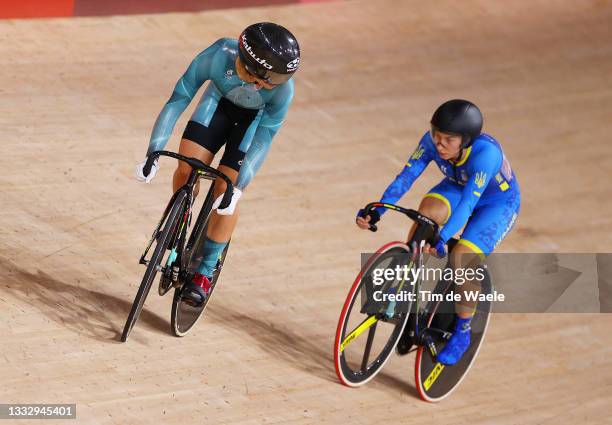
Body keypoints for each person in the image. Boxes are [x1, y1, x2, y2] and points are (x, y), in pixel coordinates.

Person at [134, 22, 300, 307]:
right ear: (246, 62)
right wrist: (154, 151)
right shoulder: (218, 54)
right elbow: (179, 99)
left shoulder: (283, 91)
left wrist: (238, 187)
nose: (267, 86)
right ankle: (177, 222)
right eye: (263, 79)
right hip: (216, 107)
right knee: (187, 168)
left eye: (274, 82)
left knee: (225, 191)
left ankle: (205, 270)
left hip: (250, 126)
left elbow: (264, 138)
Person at [356, 99, 520, 365]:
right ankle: (405, 284)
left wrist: (444, 238)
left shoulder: (485, 155)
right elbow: (406, 177)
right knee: (426, 216)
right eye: (436, 135)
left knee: (463, 258)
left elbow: (469, 204)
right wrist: (378, 210)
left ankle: (463, 332)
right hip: (458, 187)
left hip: (496, 203)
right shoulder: (431, 142)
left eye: (448, 140)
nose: (439, 143)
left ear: (466, 141)